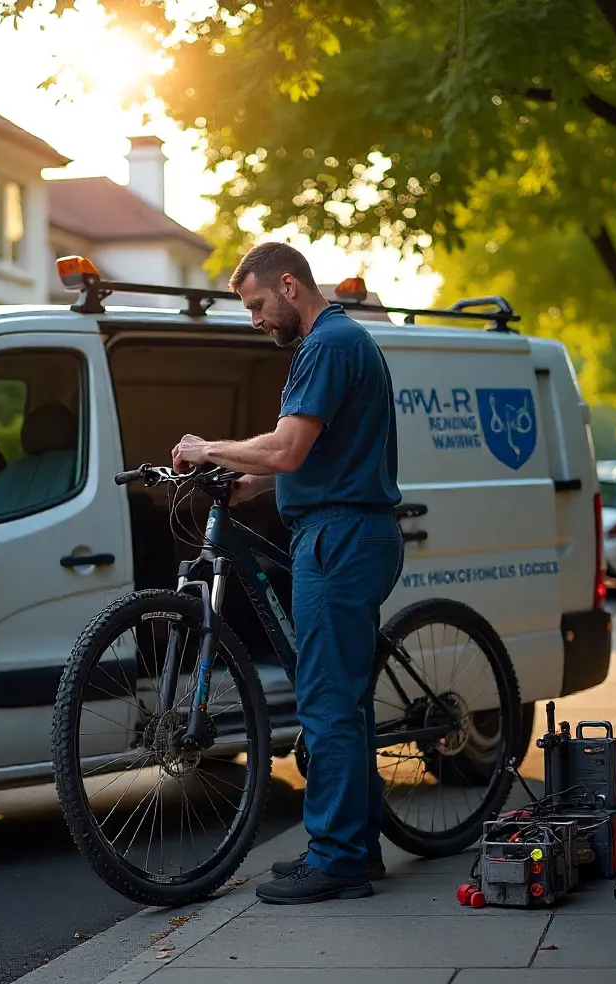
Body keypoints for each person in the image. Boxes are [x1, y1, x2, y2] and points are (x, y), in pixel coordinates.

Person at [171, 241, 404, 905]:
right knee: (346, 703)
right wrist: (249, 483)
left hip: (338, 539)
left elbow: (288, 447)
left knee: (326, 702)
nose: (254, 319)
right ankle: (357, 848)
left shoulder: (326, 346)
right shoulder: (341, 341)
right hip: (350, 532)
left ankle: (336, 861)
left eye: (256, 305)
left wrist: (207, 448)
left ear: (290, 285)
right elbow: (320, 456)